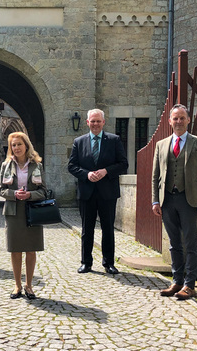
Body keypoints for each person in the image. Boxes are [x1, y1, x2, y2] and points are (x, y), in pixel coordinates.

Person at [152, 104, 197, 300]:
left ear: (188, 120)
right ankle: (177, 281)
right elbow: (155, 176)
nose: (178, 122)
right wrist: (155, 201)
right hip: (167, 199)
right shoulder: (161, 144)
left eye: (182, 118)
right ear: (170, 121)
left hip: (189, 199)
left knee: (190, 242)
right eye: (175, 118)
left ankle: (190, 284)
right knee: (174, 243)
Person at [68, 108, 128, 274]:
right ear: (87, 123)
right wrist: (87, 174)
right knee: (87, 229)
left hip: (107, 192)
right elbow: (71, 166)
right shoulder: (79, 142)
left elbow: (123, 164)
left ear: (103, 122)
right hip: (87, 192)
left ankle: (109, 263)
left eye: (98, 121)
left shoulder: (114, 140)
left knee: (108, 228)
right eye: (92, 121)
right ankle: (86, 262)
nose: (95, 124)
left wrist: (106, 171)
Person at [0, 132, 47, 299]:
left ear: (26, 145)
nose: (16, 148)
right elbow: (1, 190)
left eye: (19, 144)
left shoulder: (37, 166)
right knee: (16, 249)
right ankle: (17, 285)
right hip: (13, 211)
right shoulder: (6, 166)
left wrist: (30, 195)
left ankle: (29, 285)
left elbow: (43, 191)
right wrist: (14, 194)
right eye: (13, 145)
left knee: (31, 249)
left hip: (32, 210)